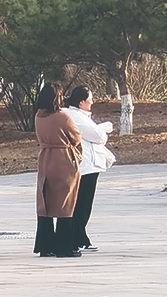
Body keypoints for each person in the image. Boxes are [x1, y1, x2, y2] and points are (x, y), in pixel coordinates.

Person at [34, 82, 82, 258]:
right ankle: (63, 246)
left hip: (45, 158)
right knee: (65, 203)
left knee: (45, 201)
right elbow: (76, 137)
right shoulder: (63, 117)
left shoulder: (38, 116)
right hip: (63, 160)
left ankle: (45, 245)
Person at [67, 85, 115, 252]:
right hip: (85, 165)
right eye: (90, 99)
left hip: (91, 165)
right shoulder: (75, 116)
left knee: (85, 203)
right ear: (81, 102)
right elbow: (97, 136)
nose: (92, 102)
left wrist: (98, 130)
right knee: (82, 203)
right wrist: (102, 128)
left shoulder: (82, 116)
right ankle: (78, 238)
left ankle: (80, 236)